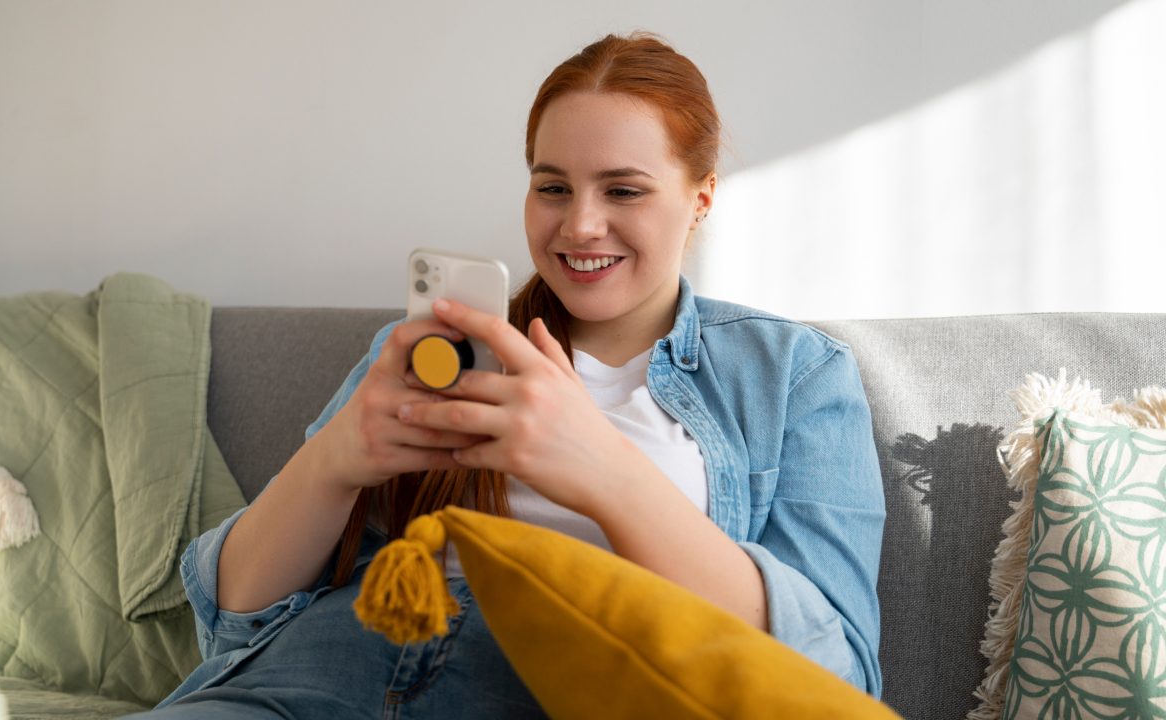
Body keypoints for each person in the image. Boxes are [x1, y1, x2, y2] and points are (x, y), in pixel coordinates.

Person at [132, 31, 886, 719]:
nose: (579, 225)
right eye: (552, 186)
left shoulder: (795, 376)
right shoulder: (428, 346)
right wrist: (332, 460)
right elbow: (236, 616)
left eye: (623, 190)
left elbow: (835, 681)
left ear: (701, 198)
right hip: (315, 683)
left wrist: (604, 472)